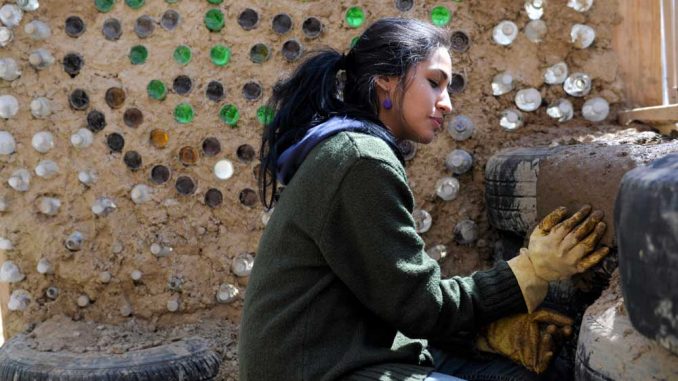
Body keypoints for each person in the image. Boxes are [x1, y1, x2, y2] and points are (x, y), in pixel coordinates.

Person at [238, 18, 609, 381]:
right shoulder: (360, 160)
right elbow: (421, 307)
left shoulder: (349, 149)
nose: (446, 104)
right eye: (434, 83)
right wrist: (533, 270)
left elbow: (392, 299)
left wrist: (485, 337)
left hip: (342, 355)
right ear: (386, 80)